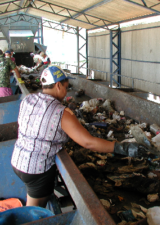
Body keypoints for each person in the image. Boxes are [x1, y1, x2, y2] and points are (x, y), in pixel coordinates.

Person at [11, 65, 149, 208]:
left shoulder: (28, 99)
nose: (66, 90)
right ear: (58, 85)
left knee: (31, 197)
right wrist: (123, 147)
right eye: (66, 86)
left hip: (18, 161)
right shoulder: (61, 112)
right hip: (36, 170)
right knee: (34, 212)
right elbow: (89, 142)